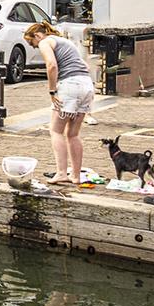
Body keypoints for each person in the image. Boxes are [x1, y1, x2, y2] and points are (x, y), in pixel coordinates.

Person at [27, 21, 94, 185]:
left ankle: (62, 173)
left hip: (70, 86)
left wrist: (52, 91)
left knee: (56, 130)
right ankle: (76, 176)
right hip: (86, 85)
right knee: (73, 134)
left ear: (38, 35)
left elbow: (51, 65)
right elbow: (84, 65)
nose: (35, 47)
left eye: (32, 43)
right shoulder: (66, 42)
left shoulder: (45, 41)